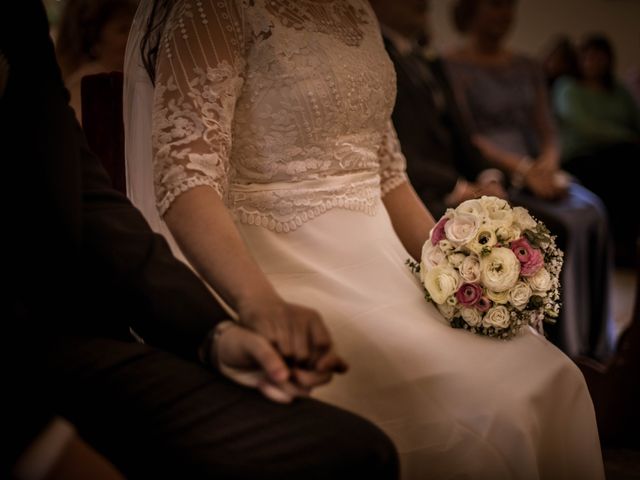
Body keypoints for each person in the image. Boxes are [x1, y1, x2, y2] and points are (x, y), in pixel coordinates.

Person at [124, 1, 605, 478]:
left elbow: (390, 177)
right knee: (476, 409)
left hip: (390, 267)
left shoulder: (357, 11)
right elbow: (186, 183)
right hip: (279, 273)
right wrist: (260, 303)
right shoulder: (214, 10)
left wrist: (463, 265)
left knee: (548, 372)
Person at [3, 2, 399, 479]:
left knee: (358, 450)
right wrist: (42, 448)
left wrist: (215, 334)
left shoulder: (18, 17)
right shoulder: (208, 12)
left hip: (59, 347)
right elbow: (186, 178)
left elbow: (91, 204)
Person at [445, 0, 614, 360]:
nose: (503, 14)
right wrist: (522, 171)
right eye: (494, 6)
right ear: (470, 11)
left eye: (509, 6)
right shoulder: (451, 65)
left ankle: (594, 340)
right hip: (494, 171)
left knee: (593, 210)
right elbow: (469, 135)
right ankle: (563, 344)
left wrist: (548, 164)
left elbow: (547, 127)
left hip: (538, 167)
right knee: (560, 226)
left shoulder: (526, 66)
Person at [373, 0, 507, 221]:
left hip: (461, 183)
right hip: (421, 193)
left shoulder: (426, 59)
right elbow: (394, 148)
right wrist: (458, 187)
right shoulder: (376, 57)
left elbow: (459, 132)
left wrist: (488, 178)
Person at [553, 34, 640, 267]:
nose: (593, 62)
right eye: (588, 56)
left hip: (620, 154)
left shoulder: (619, 91)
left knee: (629, 168)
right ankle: (610, 247)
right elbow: (586, 126)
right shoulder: (568, 88)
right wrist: (628, 138)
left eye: (599, 57)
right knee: (616, 170)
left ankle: (625, 244)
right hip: (580, 155)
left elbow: (635, 119)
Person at [55, 0, 137, 123]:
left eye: (134, 29)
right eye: (123, 30)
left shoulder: (124, 80)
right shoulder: (89, 84)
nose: (132, 38)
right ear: (96, 38)